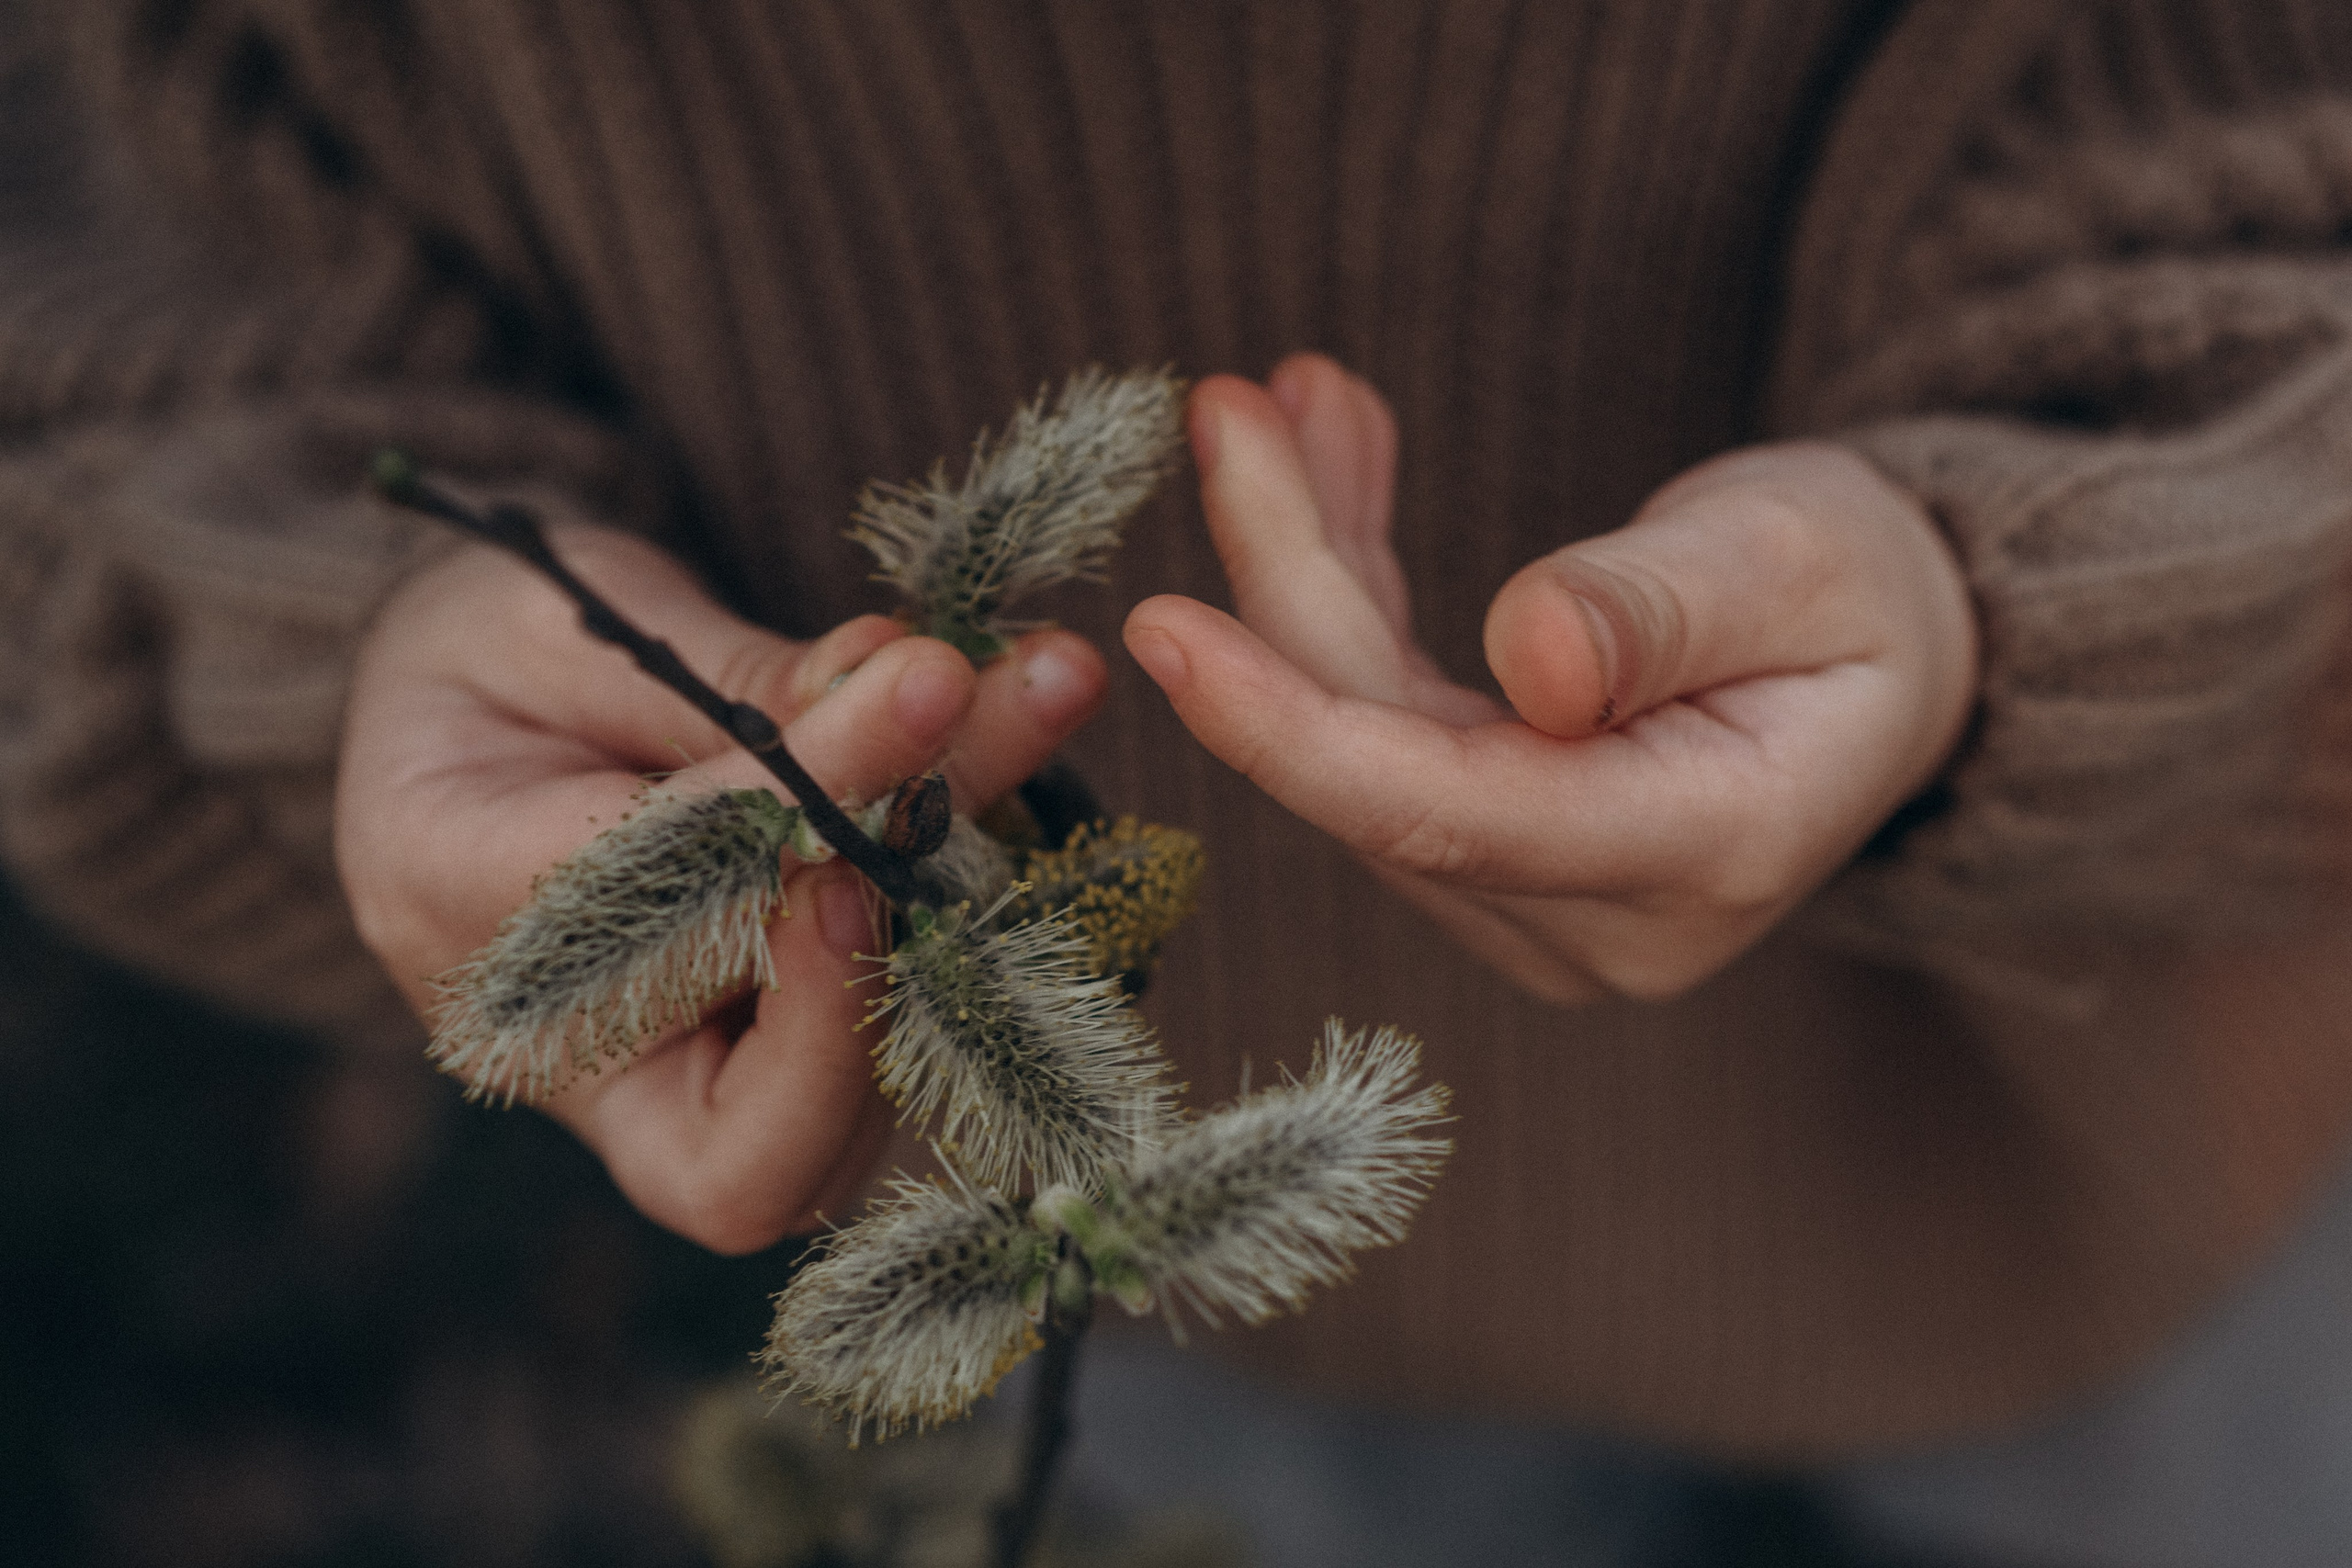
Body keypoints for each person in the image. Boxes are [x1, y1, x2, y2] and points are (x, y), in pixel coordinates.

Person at [7, 1, 2352, 1562]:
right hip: (1118, 1270)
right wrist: (337, 614)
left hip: (2071, 1117)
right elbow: (136, 225)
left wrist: (2007, 575)